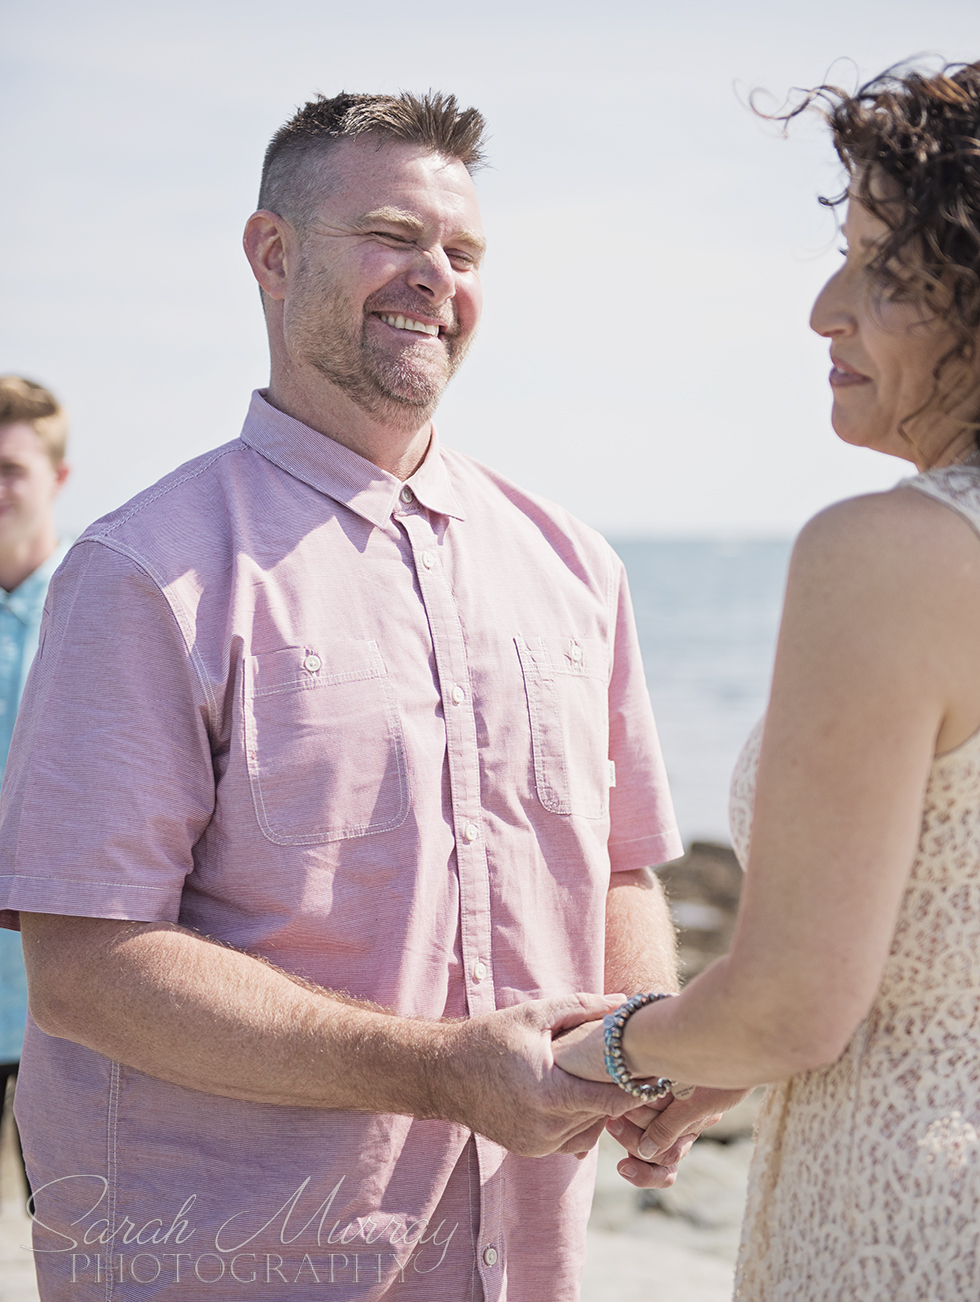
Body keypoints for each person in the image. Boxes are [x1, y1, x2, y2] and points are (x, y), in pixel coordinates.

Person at [0, 93, 737, 1301]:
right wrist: (442, 1069)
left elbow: (614, 870)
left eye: (463, 253)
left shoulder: (573, 565)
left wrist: (649, 1043)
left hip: (522, 1260)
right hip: (226, 1262)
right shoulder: (145, 572)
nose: (433, 277)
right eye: (394, 235)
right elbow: (86, 966)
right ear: (271, 255)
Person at [554, 59, 980, 1299]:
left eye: (877, 259)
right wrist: (731, 1044)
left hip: (919, 1213)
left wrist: (599, 1052)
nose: (822, 308)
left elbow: (793, 1003)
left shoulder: (894, 551)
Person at [0, 377, 69, 1201]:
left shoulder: (108, 601)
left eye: (11, 468)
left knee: (81, 1238)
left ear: (57, 477)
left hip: (69, 1000)